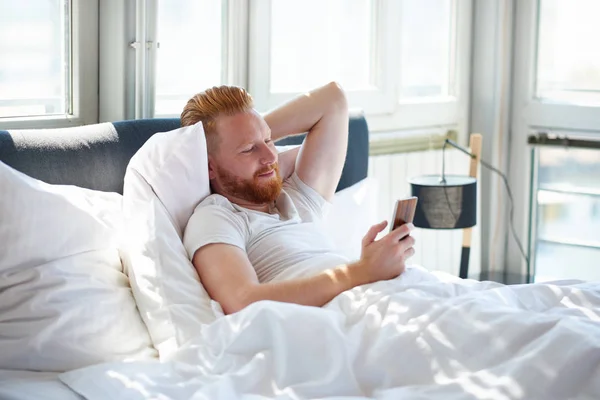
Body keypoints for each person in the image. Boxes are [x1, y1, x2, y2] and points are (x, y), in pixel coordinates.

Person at [181, 82, 415, 315]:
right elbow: (243, 301)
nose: (271, 156)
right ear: (209, 167)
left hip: (382, 296)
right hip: (347, 311)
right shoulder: (216, 216)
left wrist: (247, 132)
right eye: (248, 149)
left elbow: (332, 99)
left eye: (269, 140)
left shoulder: (296, 198)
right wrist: (364, 271)